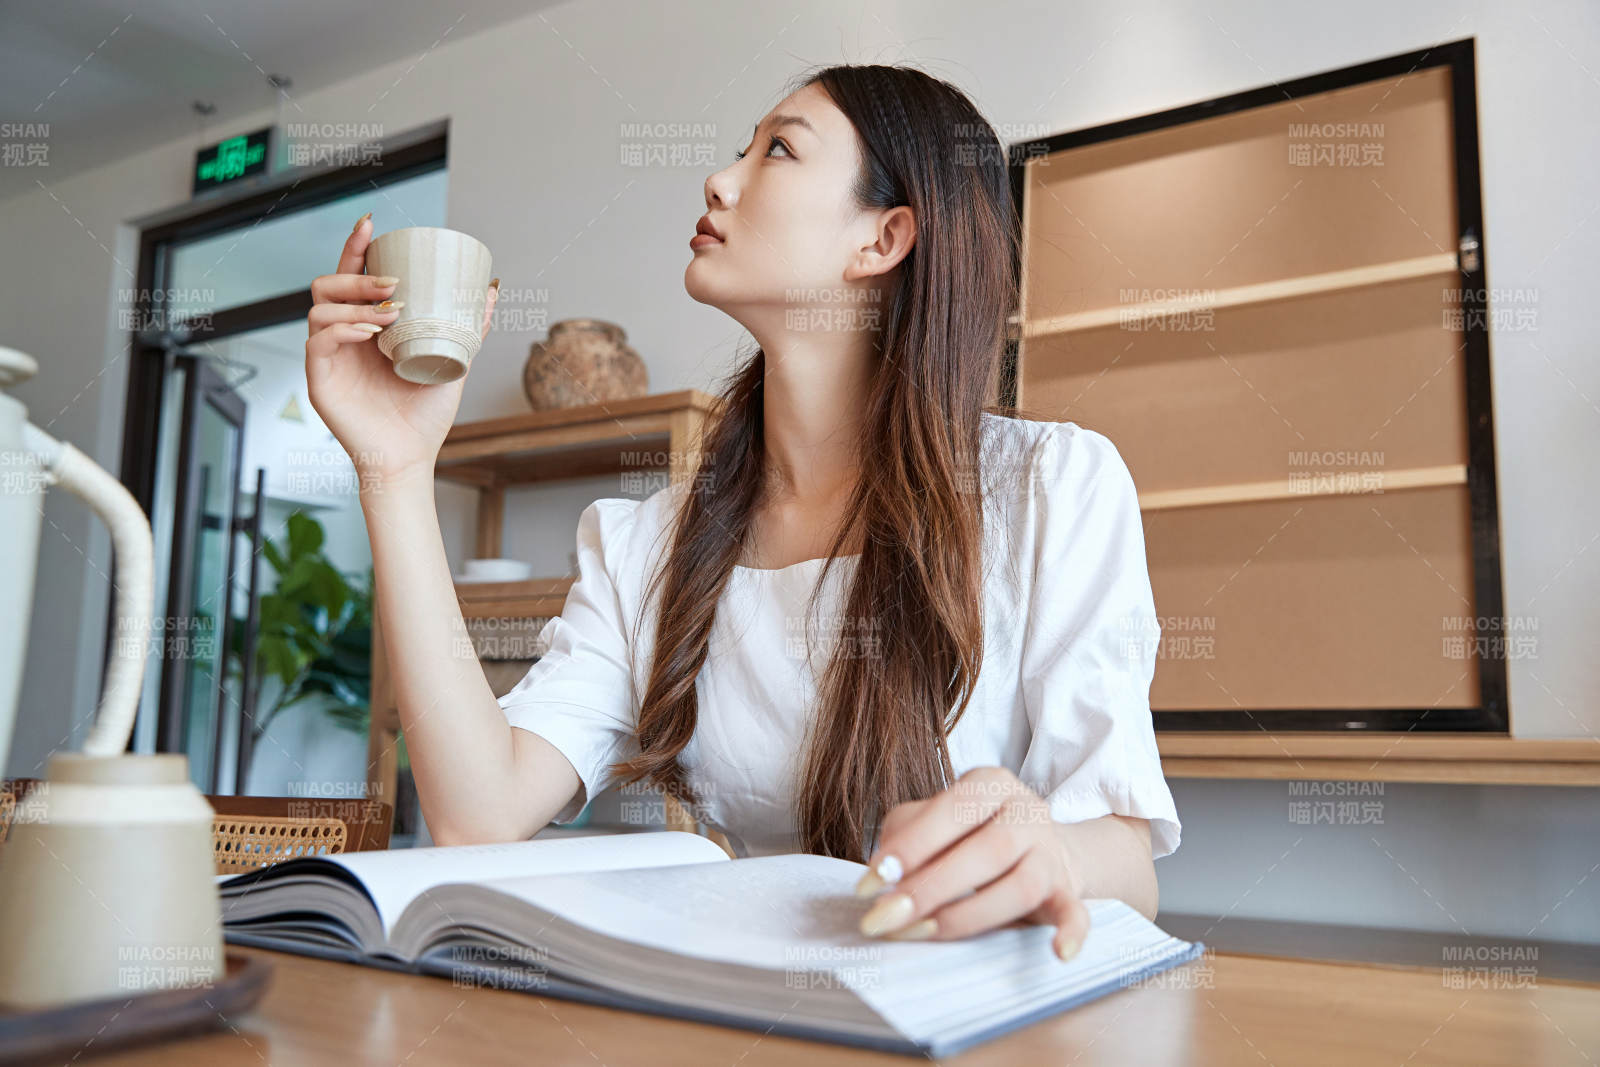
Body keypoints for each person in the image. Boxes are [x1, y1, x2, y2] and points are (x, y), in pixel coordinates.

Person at [306, 63, 1180, 963]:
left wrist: (1050, 850)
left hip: (983, 1007)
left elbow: (1130, 864)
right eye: (740, 152)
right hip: (748, 1004)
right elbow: (478, 812)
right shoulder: (648, 543)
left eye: (779, 151)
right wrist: (394, 469)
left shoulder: (1053, 487)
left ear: (883, 237)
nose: (719, 181)